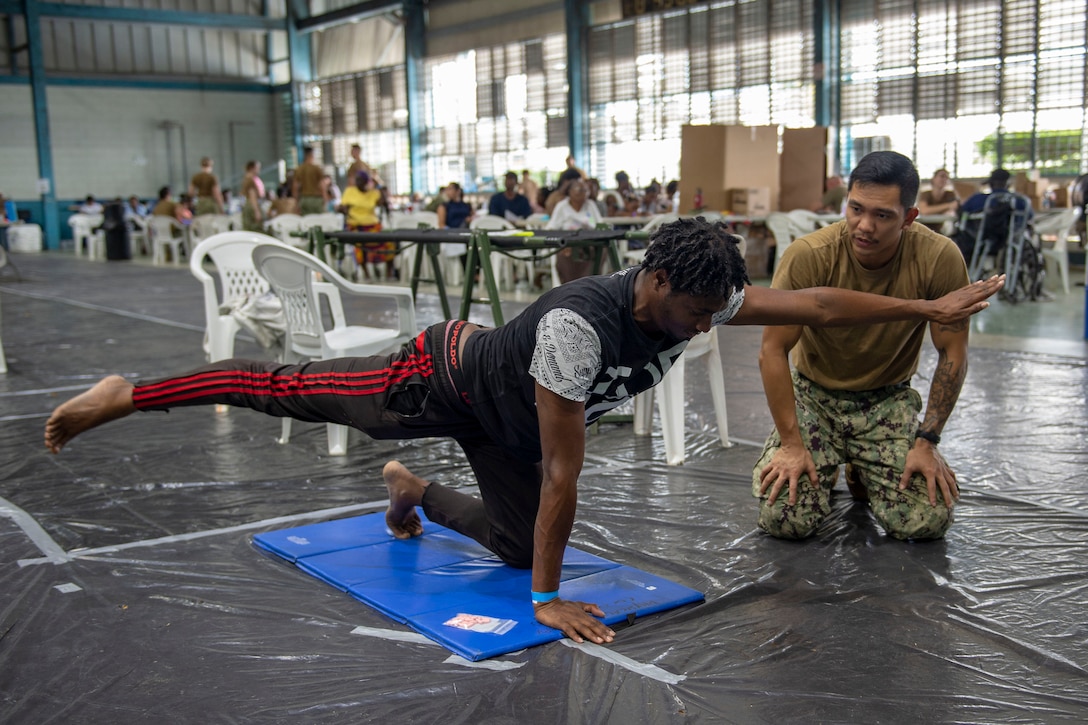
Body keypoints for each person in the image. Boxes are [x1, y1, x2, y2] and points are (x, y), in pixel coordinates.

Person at [44, 216, 1002, 645]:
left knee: (506, 546)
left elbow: (823, 301)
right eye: (695, 315)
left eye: (721, 312)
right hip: (438, 378)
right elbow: (561, 474)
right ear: (653, 283)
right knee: (282, 388)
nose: (706, 328)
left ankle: (413, 493)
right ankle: (132, 392)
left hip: (500, 422)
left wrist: (929, 308)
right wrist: (546, 601)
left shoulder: (702, 283)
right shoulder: (579, 329)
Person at [752, 150, 990, 543]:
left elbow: (953, 353)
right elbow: (772, 350)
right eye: (856, 209)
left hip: (887, 401)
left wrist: (927, 441)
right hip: (814, 398)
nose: (864, 226)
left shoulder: (938, 257)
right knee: (785, 518)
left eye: (882, 216)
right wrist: (792, 445)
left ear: (909, 218)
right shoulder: (810, 256)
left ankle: (858, 467)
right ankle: (830, 461)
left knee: (926, 519)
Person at [953, 168, 1034, 262]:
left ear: (990, 184)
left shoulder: (977, 199)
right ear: (1008, 184)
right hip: (1011, 240)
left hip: (981, 239)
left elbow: (961, 212)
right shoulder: (1020, 201)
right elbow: (1030, 217)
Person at [339, 171, 393, 279]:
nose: (358, 182)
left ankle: (389, 273)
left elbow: (384, 202)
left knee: (389, 241)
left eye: (361, 180)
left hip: (372, 225)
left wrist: (378, 183)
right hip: (355, 225)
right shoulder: (350, 191)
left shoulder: (373, 193)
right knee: (358, 243)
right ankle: (366, 273)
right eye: (357, 179)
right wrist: (345, 210)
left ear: (366, 181)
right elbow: (342, 207)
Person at [546, 179, 602, 284]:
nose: (584, 193)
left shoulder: (590, 205)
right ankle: (570, 285)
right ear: (570, 191)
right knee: (565, 253)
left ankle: (591, 284)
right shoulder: (562, 206)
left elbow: (599, 225)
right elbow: (551, 227)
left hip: (590, 241)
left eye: (586, 190)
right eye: (580, 190)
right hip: (568, 242)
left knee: (602, 250)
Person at [292, 146, 326, 215]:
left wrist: (296, 201)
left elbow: (295, 187)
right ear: (312, 155)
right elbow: (322, 185)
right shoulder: (316, 169)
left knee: (306, 221)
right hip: (316, 199)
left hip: (304, 199)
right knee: (319, 220)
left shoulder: (299, 169)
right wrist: (325, 198)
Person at [239, 161, 265, 232]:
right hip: (252, 205)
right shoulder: (250, 180)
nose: (259, 170)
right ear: (252, 168)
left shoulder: (246, 179)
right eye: (257, 168)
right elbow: (252, 195)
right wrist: (256, 211)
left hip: (248, 204)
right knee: (255, 229)